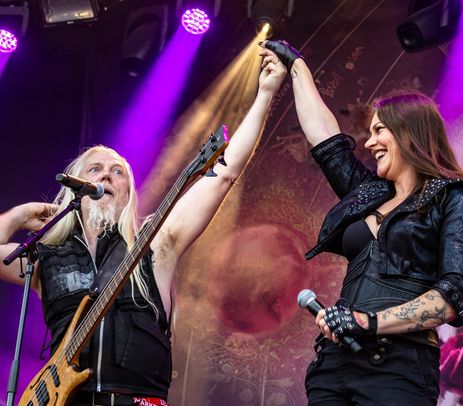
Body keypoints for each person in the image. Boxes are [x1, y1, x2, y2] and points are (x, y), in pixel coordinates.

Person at [0, 53, 286, 405]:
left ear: (128, 194)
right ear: (75, 186)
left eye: (118, 172)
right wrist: (18, 216)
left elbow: (223, 175)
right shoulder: (46, 259)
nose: (106, 176)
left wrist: (265, 93)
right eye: (94, 169)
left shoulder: (154, 244)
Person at [260, 40, 463, 405]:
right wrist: (297, 67)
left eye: (379, 131)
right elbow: (325, 140)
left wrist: (366, 322)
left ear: (409, 132)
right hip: (335, 363)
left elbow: (453, 296)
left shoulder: (459, 196)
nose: (370, 143)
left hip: (399, 366)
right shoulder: (369, 192)